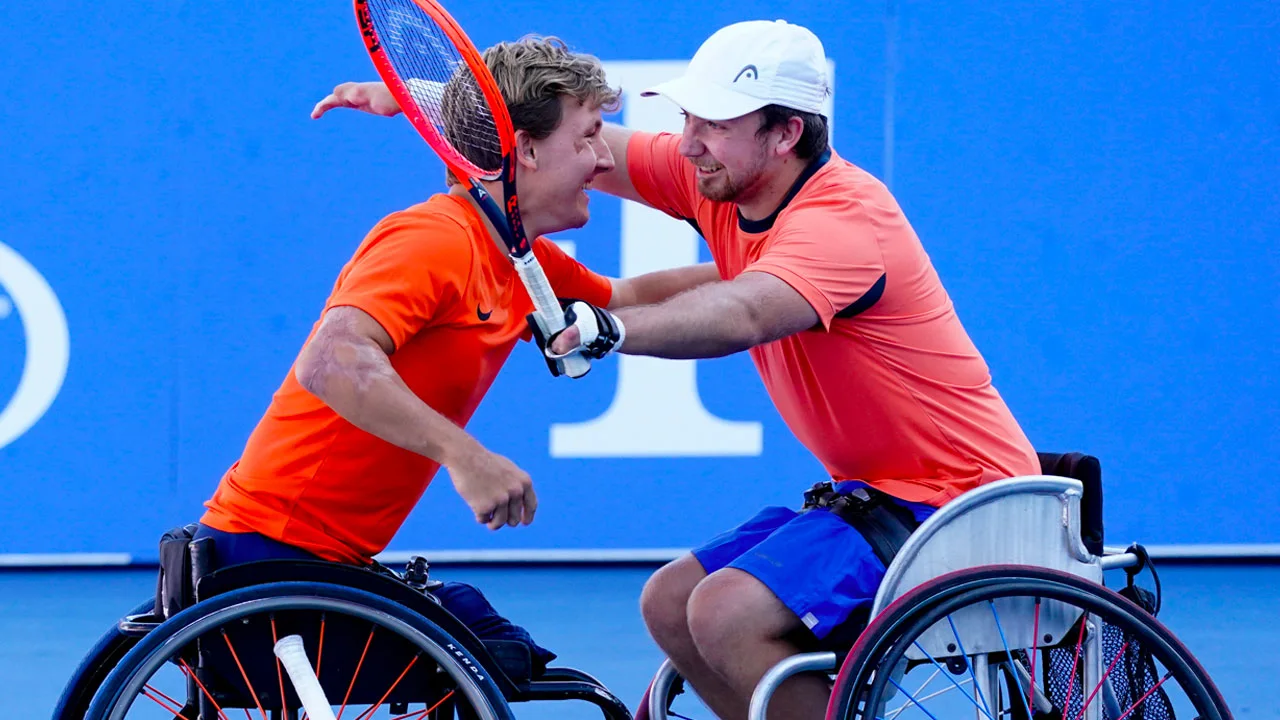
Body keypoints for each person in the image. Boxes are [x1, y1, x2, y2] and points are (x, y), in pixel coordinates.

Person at [316, 20, 1038, 720]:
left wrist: (610, 329)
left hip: (962, 504)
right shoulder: (720, 176)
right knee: (670, 603)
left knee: (726, 613)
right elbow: (564, 140)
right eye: (689, 117)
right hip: (878, 496)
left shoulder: (844, 222)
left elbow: (743, 312)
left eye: (714, 123)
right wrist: (434, 102)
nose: (689, 142)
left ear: (786, 133)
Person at [196, 37, 716, 665]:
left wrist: (771, 272)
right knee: (495, 662)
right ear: (525, 149)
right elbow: (329, 361)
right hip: (265, 562)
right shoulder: (434, 238)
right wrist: (464, 456)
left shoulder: (518, 259)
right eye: (587, 138)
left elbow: (631, 298)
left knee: (500, 648)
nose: (604, 160)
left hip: (324, 563)